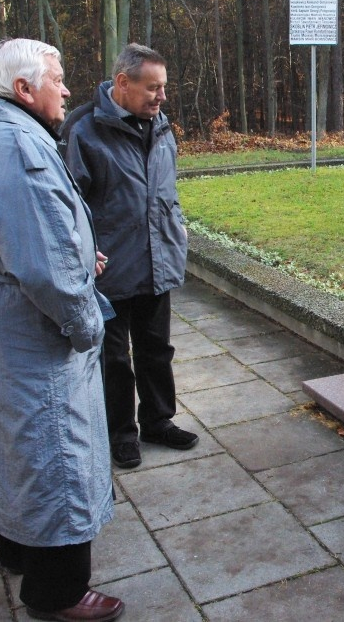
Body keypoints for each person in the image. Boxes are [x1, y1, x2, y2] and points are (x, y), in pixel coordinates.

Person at [0, 38, 124, 622]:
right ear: (24, 89)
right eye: (57, 79)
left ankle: (18, 547)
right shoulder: (19, 146)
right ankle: (57, 591)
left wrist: (80, 257)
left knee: (12, 438)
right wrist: (86, 324)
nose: (68, 89)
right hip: (30, 326)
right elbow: (43, 269)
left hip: (0, 312)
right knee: (54, 446)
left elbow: (33, 238)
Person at [62, 43, 196, 469]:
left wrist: (176, 229)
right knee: (113, 358)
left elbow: (165, 191)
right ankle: (120, 434)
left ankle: (159, 420)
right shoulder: (83, 129)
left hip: (158, 262)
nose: (161, 97)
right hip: (110, 269)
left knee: (157, 349)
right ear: (122, 83)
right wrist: (84, 255)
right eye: (152, 88)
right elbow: (68, 205)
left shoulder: (161, 125)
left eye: (164, 88)